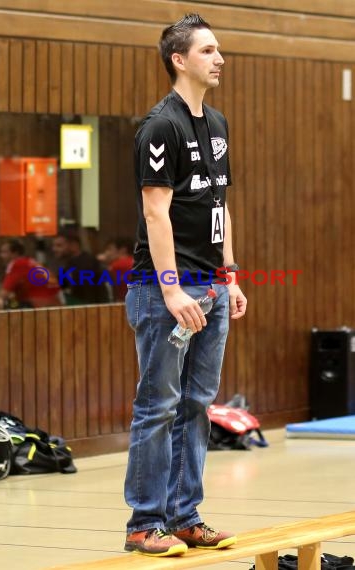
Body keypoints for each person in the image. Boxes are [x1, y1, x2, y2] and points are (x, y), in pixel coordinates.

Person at [124, 14, 247, 557]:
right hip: (164, 291)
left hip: (213, 288)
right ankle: (143, 522)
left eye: (219, 51)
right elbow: (156, 213)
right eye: (208, 51)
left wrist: (231, 274)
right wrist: (173, 291)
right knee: (159, 405)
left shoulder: (217, 123)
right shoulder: (160, 126)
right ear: (180, 59)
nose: (219, 59)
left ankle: (184, 515)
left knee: (197, 403)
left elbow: (218, 205)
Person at [0, 239, 62, 310]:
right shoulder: (30, 261)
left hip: (38, 306)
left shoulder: (17, 264)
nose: (1, 256)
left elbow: (4, 294)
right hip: (55, 303)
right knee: (12, 299)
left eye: (4, 252)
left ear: (15, 253)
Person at [52, 233, 111, 305]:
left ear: (74, 245)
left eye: (59, 245)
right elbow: (60, 285)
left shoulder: (87, 264)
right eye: (54, 246)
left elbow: (90, 295)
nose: (54, 249)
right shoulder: (69, 263)